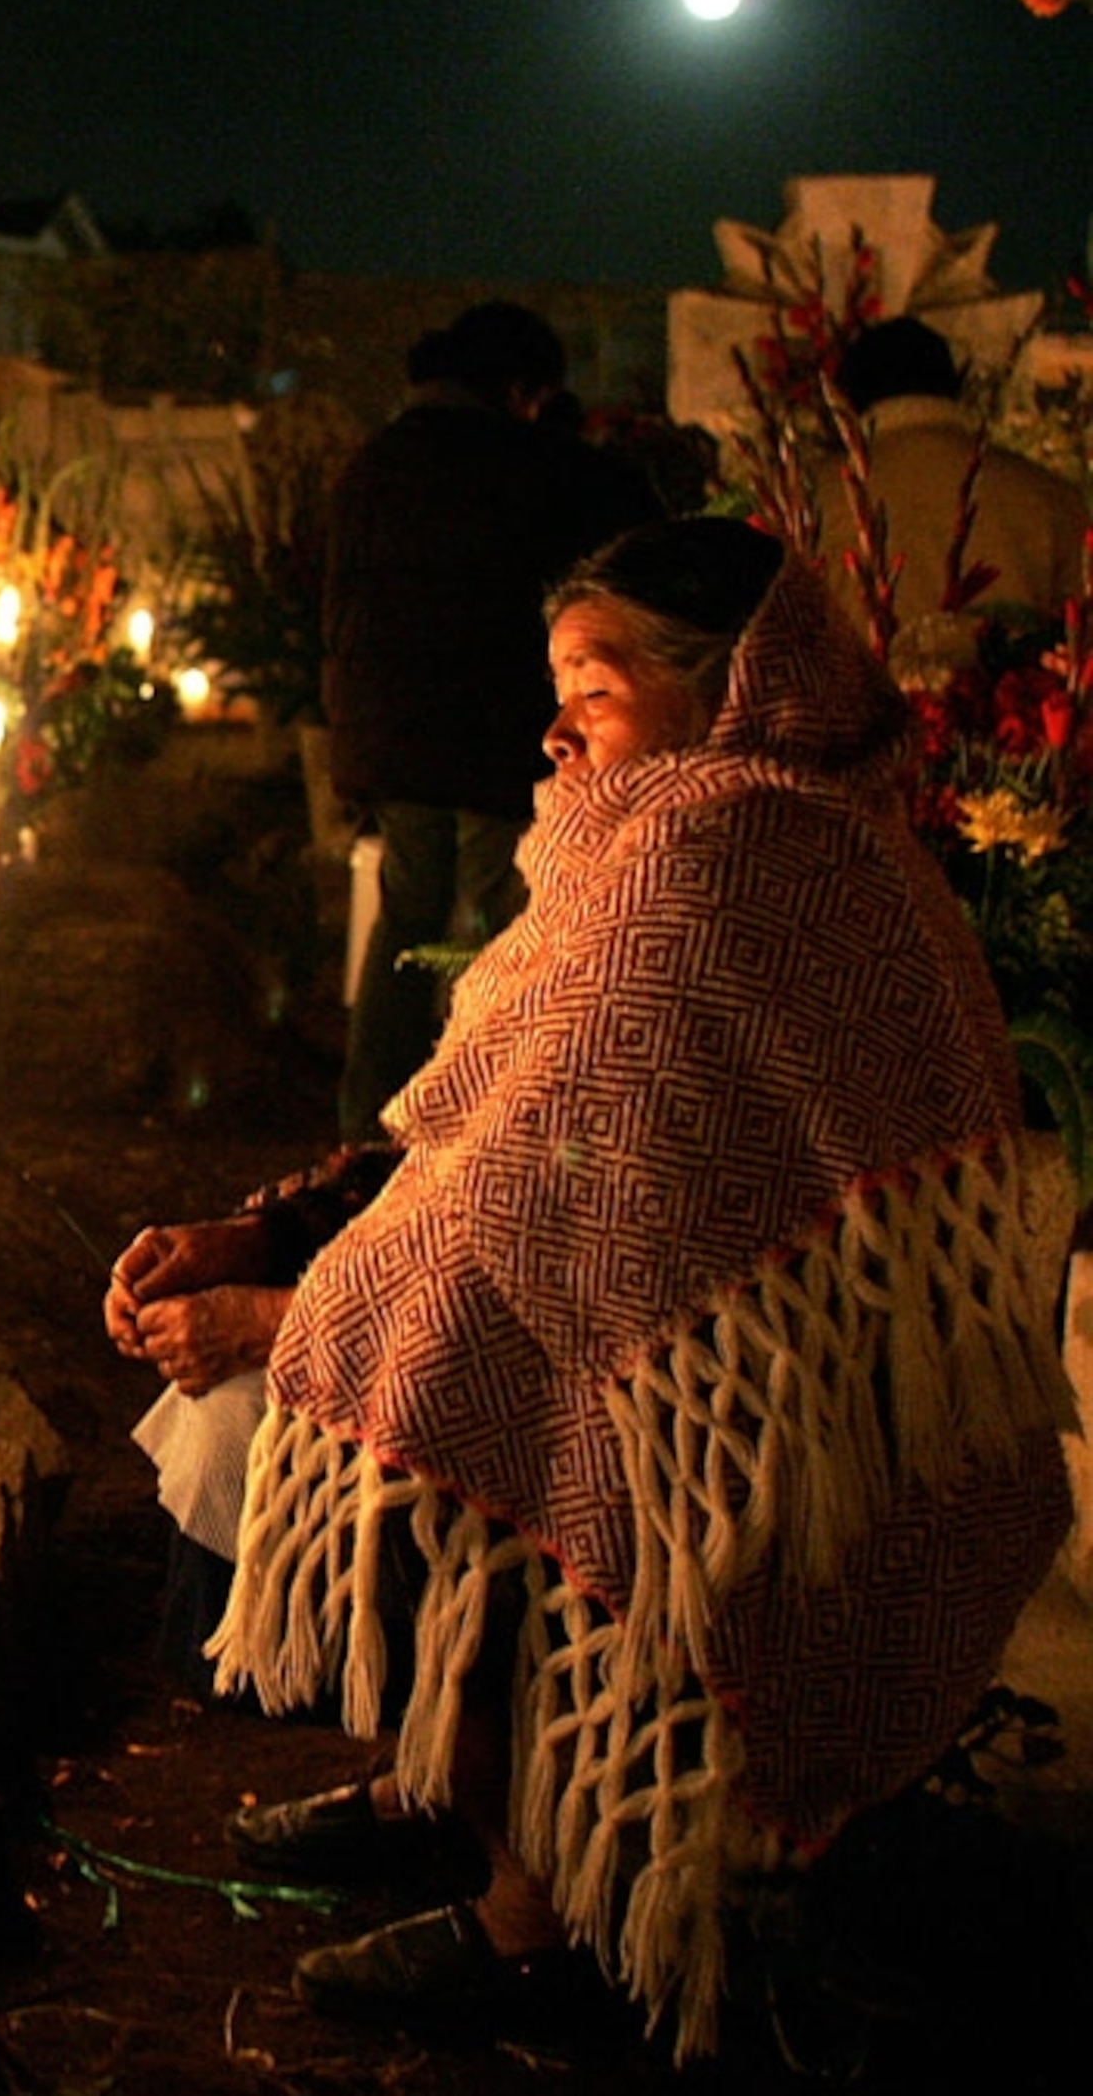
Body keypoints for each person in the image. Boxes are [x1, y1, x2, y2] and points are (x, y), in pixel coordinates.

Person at [108, 518, 1074, 2056]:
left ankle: (533, 1913)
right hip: (681, 1355)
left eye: (596, 688)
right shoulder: (695, 832)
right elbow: (490, 1148)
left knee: (371, 1419)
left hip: (765, 1444)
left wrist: (278, 1319)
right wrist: (259, 1238)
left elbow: (558, 1214)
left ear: (726, 691)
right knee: (388, 1369)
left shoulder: (727, 851)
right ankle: (438, 1773)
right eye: (555, 683)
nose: (555, 726)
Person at [322, 302, 658, 1143]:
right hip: (492, 742)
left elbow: (332, 614)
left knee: (406, 926)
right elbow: (627, 534)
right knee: (491, 937)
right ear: (521, 389)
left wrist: (350, 746)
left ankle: (366, 1132)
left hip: (392, 745)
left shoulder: (374, 463)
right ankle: (463, 1137)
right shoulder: (531, 463)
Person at [811, 314, 1089, 647]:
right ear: (955, 384)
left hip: (844, 698)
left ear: (846, 398)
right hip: (1010, 694)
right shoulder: (1046, 495)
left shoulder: (811, 496)